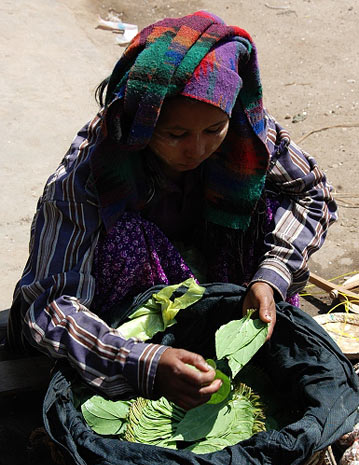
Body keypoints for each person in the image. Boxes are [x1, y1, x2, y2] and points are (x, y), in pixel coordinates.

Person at [7, 11, 337, 410]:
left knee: (261, 201)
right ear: (142, 124)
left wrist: (272, 275)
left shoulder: (244, 132)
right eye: (175, 134)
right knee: (121, 237)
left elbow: (312, 194)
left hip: (212, 263)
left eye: (213, 130)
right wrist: (142, 362)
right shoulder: (88, 174)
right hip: (129, 311)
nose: (197, 150)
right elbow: (48, 304)